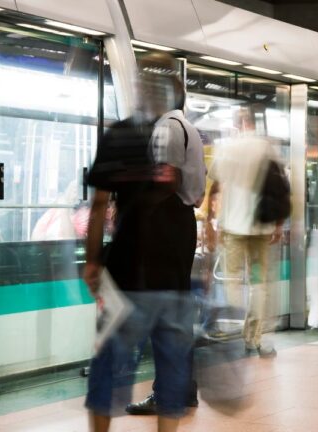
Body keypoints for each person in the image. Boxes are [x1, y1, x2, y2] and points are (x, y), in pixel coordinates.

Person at [83, 53, 205, 432]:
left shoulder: (120, 133)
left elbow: (100, 205)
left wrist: (91, 261)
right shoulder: (188, 131)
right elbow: (193, 198)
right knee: (170, 370)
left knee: (106, 370)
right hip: (174, 271)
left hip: (127, 272)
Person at [125, 83, 206, 417]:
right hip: (180, 221)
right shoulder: (186, 126)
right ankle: (182, 389)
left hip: (167, 222)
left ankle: (168, 393)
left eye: (148, 93)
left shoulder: (168, 127)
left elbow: (167, 179)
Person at [208, 106, 283, 357]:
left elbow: (215, 183)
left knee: (232, 278)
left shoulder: (227, 147)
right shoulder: (266, 147)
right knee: (258, 284)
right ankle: (254, 337)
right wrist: (278, 224)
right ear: (252, 122)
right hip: (261, 226)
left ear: (237, 124)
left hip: (233, 226)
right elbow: (280, 187)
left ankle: (232, 331)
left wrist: (210, 219)